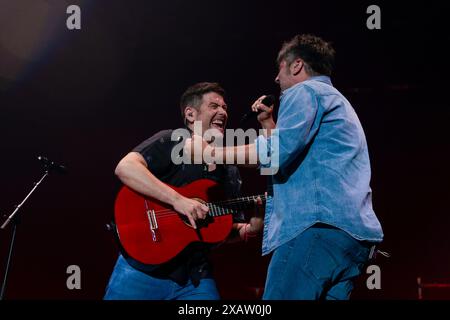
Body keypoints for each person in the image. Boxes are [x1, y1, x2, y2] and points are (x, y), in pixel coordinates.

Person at [185, 34, 384, 300]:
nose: (277, 79)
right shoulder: (336, 100)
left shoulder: (304, 92)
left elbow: (275, 154)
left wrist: (210, 152)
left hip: (314, 230)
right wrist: (267, 123)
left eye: (279, 69)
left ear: (296, 65)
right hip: (352, 240)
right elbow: (292, 155)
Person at [104, 82, 263, 300]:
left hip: (196, 277)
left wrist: (247, 230)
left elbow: (222, 228)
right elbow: (125, 167)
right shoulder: (173, 140)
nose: (223, 112)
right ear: (190, 114)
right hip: (141, 269)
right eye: (214, 106)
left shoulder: (229, 168)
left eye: (225, 107)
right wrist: (178, 200)